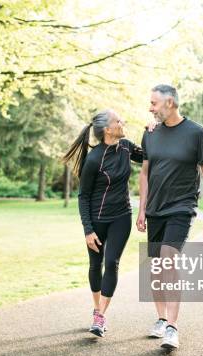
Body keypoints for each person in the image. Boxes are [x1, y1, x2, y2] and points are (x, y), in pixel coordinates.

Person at [137, 84, 203, 349]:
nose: (150, 108)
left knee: (168, 260)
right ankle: (161, 319)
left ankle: (172, 327)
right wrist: (141, 210)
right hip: (155, 210)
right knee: (156, 268)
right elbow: (145, 173)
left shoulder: (196, 133)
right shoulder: (150, 133)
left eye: (154, 103)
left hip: (181, 209)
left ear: (169, 102)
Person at [63, 109, 143, 337]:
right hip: (97, 220)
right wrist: (88, 231)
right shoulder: (94, 158)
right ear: (107, 129)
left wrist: (153, 131)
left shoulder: (126, 146)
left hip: (121, 217)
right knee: (95, 265)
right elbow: (83, 196)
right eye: (118, 120)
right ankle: (97, 308)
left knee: (112, 262)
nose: (122, 121)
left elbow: (150, 155)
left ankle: (100, 316)